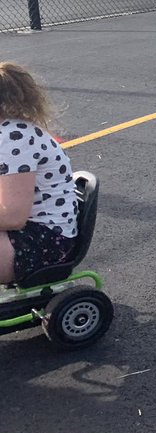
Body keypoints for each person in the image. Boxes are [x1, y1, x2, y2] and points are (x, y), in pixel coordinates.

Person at [0, 62, 77, 285]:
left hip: (44, 243)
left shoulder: (14, 138)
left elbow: (13, 217)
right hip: (33, 233)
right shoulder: (10, 131)